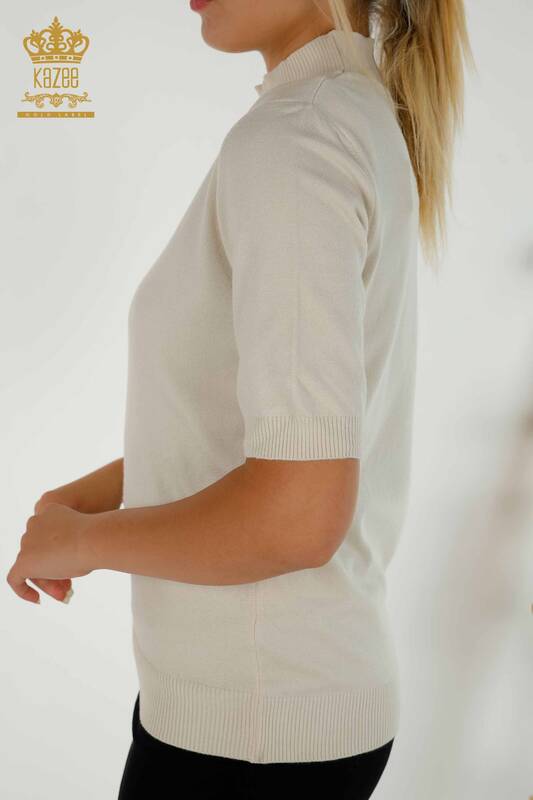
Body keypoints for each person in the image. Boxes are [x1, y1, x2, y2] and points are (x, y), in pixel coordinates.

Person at [7, 1, 472, 797]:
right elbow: (273, 434)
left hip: (250, 737)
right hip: (279, 713)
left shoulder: (296, 139)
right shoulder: (345, 116)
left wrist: (83, 544)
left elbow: (296, 514)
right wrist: (97, 496)